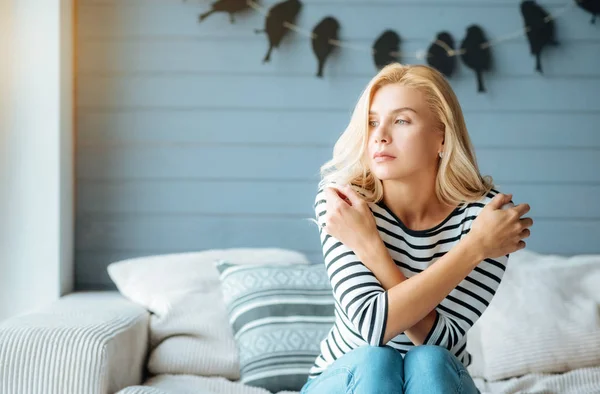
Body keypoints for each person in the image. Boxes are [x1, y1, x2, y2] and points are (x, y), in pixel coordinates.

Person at [301, 63, 533, 394]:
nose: (380, 135)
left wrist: (372, 249)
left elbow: (440, 340)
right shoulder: (345, 203)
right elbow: (373, 327)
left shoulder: (486, 220)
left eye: (401, 120)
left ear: (441, 136)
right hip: (346, 380)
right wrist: (473, 249)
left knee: (430, 361)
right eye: (372, 121)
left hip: (437, 380)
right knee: (375, 361)